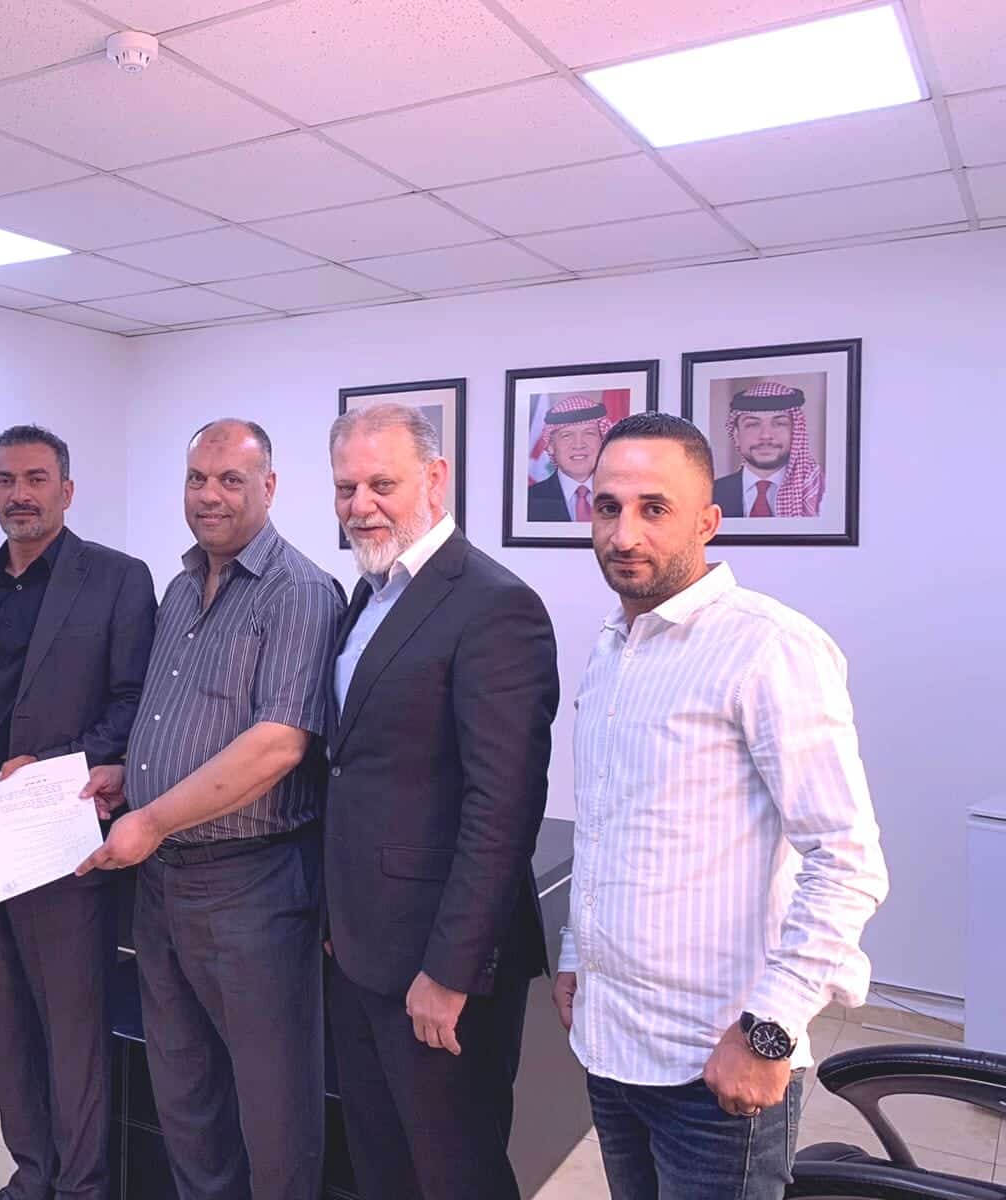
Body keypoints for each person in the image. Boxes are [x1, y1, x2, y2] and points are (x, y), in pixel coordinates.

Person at [555, 412, 888, 1200]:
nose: (624, 534)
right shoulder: (611, 649)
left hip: (717, 1064)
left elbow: (847, 861)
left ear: (707, 521)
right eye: (608, 507)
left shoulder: (769, 648)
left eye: (654, 508)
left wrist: (769, 1034)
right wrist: (575, 954)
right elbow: (608, 826)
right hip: (613, 1046)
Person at [75, 419, 342, 1200]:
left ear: (270, 487)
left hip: (251, 888)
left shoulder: (299, 593)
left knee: (273, 1103)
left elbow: (277, 745)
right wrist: (130, 778)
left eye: (231, 479)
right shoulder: (182, 586)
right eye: (197, 478)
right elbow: (175, 719)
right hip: (163, 882)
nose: (210, 495)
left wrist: (153, 818)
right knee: (184, 1090)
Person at [0, 425, 156, 1200]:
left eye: (36, 479)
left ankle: (82, 1185)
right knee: (3, 1022)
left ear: (67, 490)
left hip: (62, 838)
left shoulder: (118, 579)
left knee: (73, 1028)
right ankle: (32, 1173)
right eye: (6, 480)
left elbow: (136, 703)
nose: (20, 494)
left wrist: (61, 763)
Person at [326, 403, 560, 1200]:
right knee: (381, 1165)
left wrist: (450, 973)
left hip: (441, 966)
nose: (361, 505)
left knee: (456, 1173)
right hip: (361, 952)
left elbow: (504, 809)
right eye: (346, 488)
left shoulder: (495, 604)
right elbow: (355, 771)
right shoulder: (367, 597)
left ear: (435, 479)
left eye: (381, 484)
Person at [713, 381, 825, 518]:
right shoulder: (710, 494)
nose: (765, 435)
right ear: (736, 436)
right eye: (753, 424)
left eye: (779, 424)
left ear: (796, 432)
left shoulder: (818, 494)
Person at [527, 394, 612, 522]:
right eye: (567, 435)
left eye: (589, 433)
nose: (578, 444)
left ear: (603, 441)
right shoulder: (529, 501)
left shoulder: (622, 494)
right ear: (550, 446)